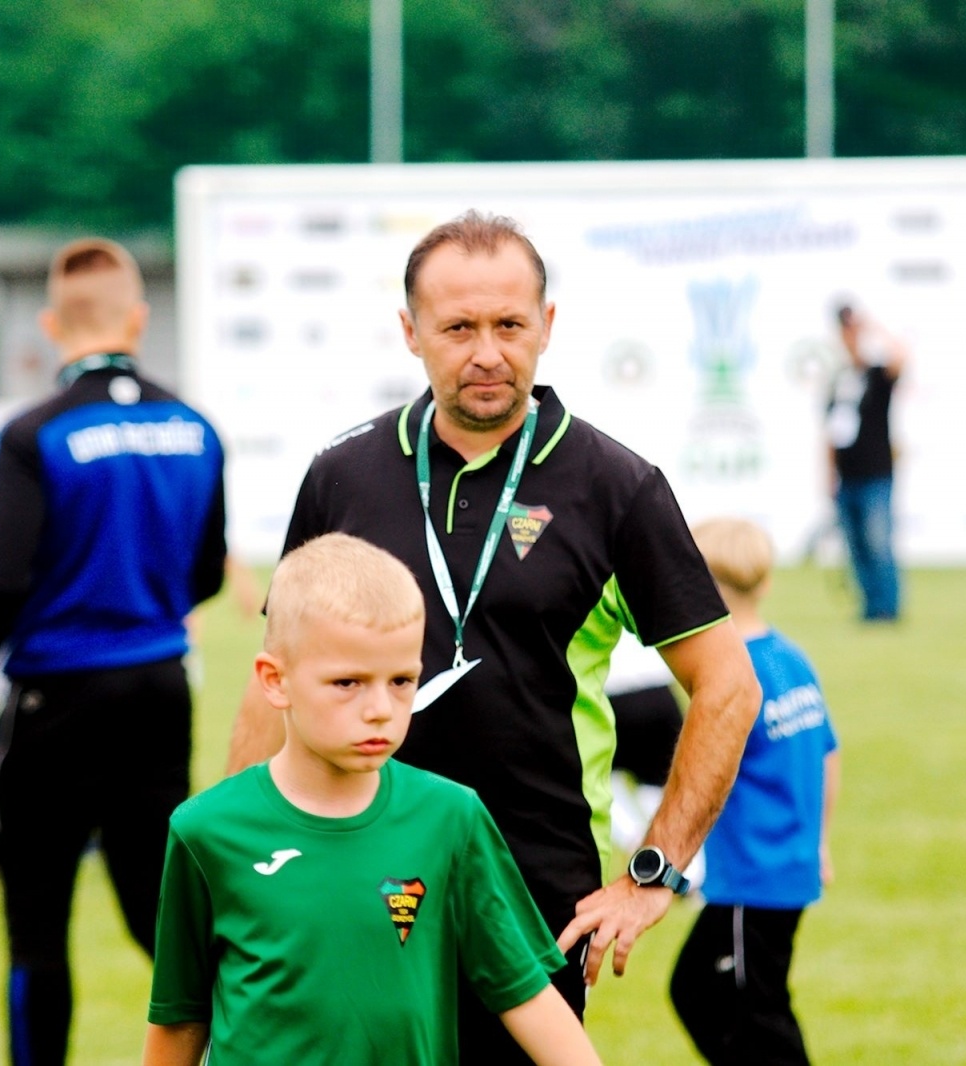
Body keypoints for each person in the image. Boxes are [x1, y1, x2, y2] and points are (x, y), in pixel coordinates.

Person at [226, 210, 761, 1059]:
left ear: (546, 325)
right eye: (458, 328)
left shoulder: (617, 488)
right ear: (411, 332)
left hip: (532, 887)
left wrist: (654, 872)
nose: (487, 352)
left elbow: (728, 684)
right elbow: (278, 680)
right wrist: (240, 855)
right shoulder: (343, 475)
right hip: (344, 869)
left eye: (509, 325)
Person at [146, 533, 602, 1066]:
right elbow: (179, 1017)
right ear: (276, 680)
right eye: (348, 682)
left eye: (402, 680)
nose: (381, 708)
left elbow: (524, 993)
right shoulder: (207, 829)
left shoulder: (450, 818)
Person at [0, 237, 228, 1066]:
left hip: (55, 697)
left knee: (36, 928)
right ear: (137, 320)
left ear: (51, 325)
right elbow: (207, 572)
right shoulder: (195, 426)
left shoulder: (33, 432)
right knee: (162, 919)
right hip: (160, 688)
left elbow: (4, 577)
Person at [670, 518, 840, 1065]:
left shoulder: (731, 676)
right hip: (785, 866)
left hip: (754, 879)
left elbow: (704, 774)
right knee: (699, 989)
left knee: (755, 1009)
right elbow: (828, 754)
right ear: (764, 583)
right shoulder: (792, 659)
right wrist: (821, 841)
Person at [824, 301, 908, 622]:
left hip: (876, 474)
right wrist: (829, 475)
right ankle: (870, 608)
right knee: (856, 546)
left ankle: (888, 608)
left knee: (878, 543)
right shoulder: (838, 379)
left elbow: (901, 358)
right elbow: (829, 432)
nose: (850, 336)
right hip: (847, 477)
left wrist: (873, 328)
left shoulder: (877, 375)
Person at [605, 630, 704, 894]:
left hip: (610, 695)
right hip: (658, 693)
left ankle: (635, 840)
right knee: (662, 786)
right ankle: (690, 878)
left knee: (600, 784)